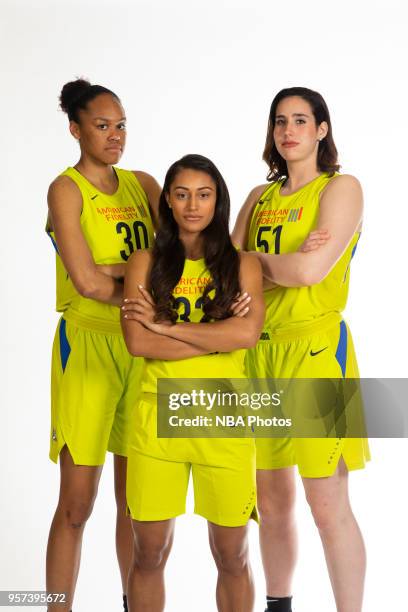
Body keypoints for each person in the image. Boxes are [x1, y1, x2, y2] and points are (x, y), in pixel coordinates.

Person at [232, 87, 370, 612]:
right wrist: (272, 260)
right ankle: (279, 605)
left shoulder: (341, 189)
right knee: (270, 500)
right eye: (279, 121)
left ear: (321, 130)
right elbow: (226, 274)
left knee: (327, 501)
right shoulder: (257, 198)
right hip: (259, 353)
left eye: (300, 120)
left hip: (315, 352)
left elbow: (311, 271)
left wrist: (256, 259)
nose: (288, 130)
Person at [120, 153, 265, 612]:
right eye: (181, 194)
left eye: (203, 194)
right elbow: (138, 344)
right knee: (149, 553)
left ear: (218, 200)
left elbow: (245, 334)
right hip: (155, 419)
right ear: (167, 199)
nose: (192, 205)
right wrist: (213, 339)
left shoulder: (243, 264)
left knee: (232, 554)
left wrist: (165, 326)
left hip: (224, 420)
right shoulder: (144, 261)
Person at [45, 78, 160, 612]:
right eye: (101, 125)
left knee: (135, 501)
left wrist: (124, 275)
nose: (115, 135)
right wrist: (142, 276)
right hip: (88, 349)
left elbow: (179, 260)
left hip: (141, 344)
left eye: (121, 125)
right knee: (77, 503)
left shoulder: (144, 184)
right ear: (75, 129)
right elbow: (87, 283)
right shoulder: (66, 190)